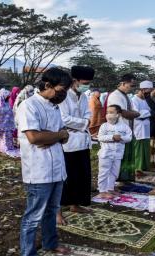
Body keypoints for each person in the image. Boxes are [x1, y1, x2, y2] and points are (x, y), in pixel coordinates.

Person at [16, 67, 72, 256]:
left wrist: (55, 135)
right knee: (33, 216)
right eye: (61, 90)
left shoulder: (55, 107)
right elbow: (35, 138)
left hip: (57, 167)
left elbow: (63, 136)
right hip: (38, 170)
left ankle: (50, 243)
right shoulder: (29, 106)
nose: (63, 94)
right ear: (47, 85)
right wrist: (57, 135)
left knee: (52, 210)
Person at [57, 65, 94, 225]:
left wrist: (82, 123)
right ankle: (57, 211)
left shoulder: (84, 96)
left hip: (82, 142)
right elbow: (64, 119)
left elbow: (88, 115)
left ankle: (75, 204)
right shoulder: (63, 96)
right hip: (67, 143)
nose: (87, 85)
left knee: (80, 176)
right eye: (85, 82)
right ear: (75, 81)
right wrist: (83, 123)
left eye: (89, 83)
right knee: (65, 177)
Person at [106, 74, 140, 181]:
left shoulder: (126, 96)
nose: (132, 88)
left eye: (134, 86)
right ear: (123, 83)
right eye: (131, 85)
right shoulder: (115, 95)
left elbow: (132, 111)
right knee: (120, 157)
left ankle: (126, 179)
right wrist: (136, 114)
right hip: (118, 131)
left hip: (127, 130)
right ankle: (118, 180)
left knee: (128, 156)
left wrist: (134, 113)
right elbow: (124, 113)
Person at [96, 104, 132, 199]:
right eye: (107, 112)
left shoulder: (124, 126)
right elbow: (100, 137)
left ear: (118, 114)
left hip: (118, 154)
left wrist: (121, 138)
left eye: (111, 112)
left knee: (114, 172)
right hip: (106, 153)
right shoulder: (104, 126)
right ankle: (102, 191)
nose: (108, 115)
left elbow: (129, 137)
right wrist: (112, 137)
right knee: (104, 172)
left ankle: (110, 189)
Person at [0, 88, 20, 157]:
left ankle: (8, 147)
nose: (8, 98)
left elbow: (11, 113)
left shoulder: (7, 104)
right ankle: (4, 148)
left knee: (8, 138)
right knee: (3, 138)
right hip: (1, 126)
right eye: (7, 97)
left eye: (8, 97)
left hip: (8, 125)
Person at [132, 81, 152, 175]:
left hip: (146, 126)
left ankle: (144, 167)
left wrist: (145, 113)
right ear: (142, 90)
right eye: (147, 91)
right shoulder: (134, 100)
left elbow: (149, 111)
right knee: (138, 148)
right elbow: (137, 114)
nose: (148, 94)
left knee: (146, 147)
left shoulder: (145, 100)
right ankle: (137, 168)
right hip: (138, 126)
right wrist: (146, 113)